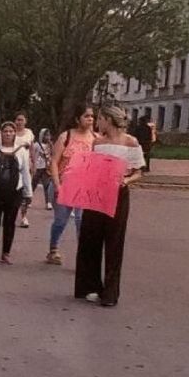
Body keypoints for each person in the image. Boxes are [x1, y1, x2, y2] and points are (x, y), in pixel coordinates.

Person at [75, 105, 144, 307]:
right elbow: (93, 168)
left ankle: (110, 293)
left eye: (100, 118)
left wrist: (126, 181)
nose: (97, 122)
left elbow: (139, 172)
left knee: (114, 241)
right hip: (96, 193)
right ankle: (90, 287)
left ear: (108, 119)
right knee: (90, 239)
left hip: (118, 194)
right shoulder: (98, 142)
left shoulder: (131, 142)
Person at [46, 104, 97, 265]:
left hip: (84, 188)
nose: (90, 119)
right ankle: (53, 249)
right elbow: (54, 162)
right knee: (61, 220)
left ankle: (82, 257)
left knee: (82, 222)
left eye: (92, 116)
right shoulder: (66, 136)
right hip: (64, 185)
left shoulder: (96, 139)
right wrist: (57, 185)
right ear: (77, 119)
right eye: (86, 116)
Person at [0, 121, 33, 264]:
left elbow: (25, 172)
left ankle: (6, 253)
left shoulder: (21, 151)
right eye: (5, 131)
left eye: (11, 131)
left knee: (10, 222)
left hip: (14, 191)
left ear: (15, 133)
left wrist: (28, 193)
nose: (8, 134)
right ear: (1, 133)